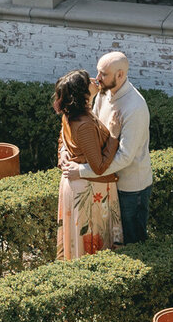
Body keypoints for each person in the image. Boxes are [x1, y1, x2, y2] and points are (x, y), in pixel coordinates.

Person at [53, 69, 122, 259]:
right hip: (89, 191)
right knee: (90, 249)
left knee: (78, 247)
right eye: (88, 80)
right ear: (82, 93)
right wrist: (114, 137)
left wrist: (62, 153)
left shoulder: (72, 114)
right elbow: (99, 166)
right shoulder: (84, 124)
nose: (95, 80)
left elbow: (62, 138)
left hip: (77, 186)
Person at [92, 51, 153, 243]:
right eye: (98, 72)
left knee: (133, 242)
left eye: (104, 74)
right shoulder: (103, 93)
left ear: (120, 75)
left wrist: (88, 171)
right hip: (109, 181)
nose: (97, 78)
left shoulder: (135, 107)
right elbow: (94, 127)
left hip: (130, 188)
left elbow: (126, 157)